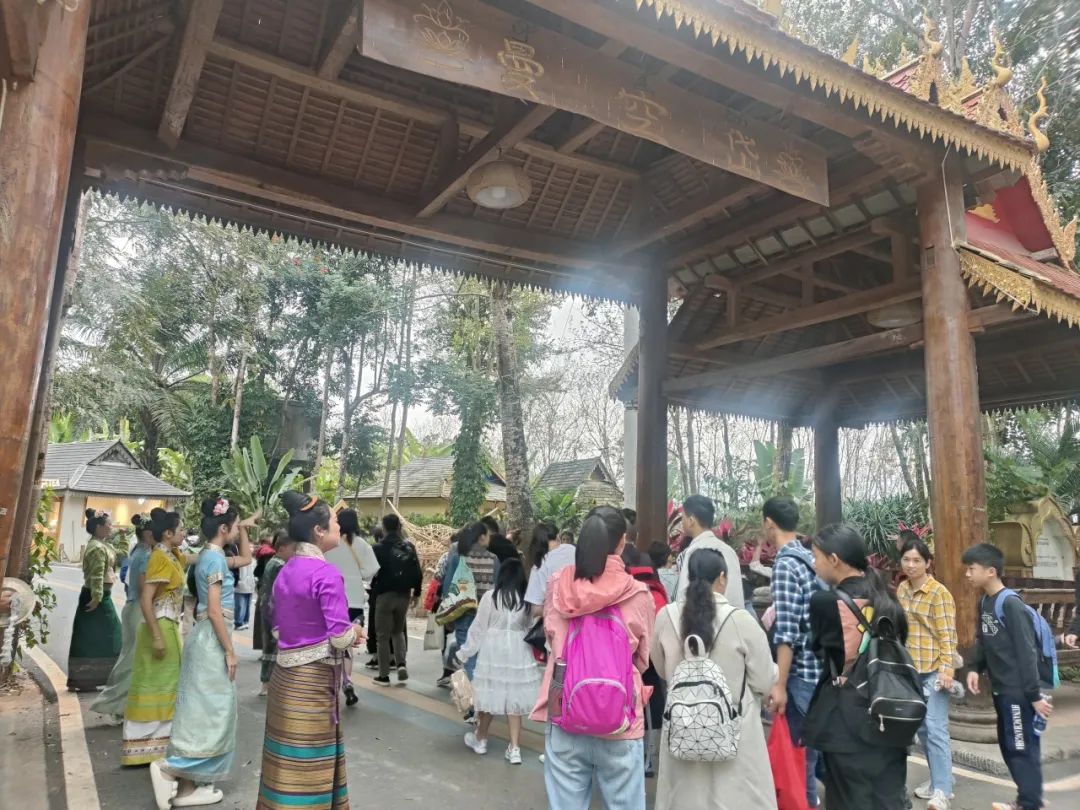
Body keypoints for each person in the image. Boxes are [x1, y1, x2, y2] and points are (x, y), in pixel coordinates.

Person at [531, 506, 655, 810]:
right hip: (621, 716)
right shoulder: (639, 593)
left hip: (565, 708)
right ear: (622, 542)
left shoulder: (558, 585)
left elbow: (552, 639)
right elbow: (642, 659)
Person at [256, 492, 363, 810]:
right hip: (312, 685)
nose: (339, 526)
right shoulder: (326, 574)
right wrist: (356, 632)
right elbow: (340, 637)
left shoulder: (285, 570)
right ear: (319, 531)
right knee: (310, 762)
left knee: (283, 759)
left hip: (284, 680)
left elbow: (278, 628)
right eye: (334, 521)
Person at [149, 497, 255, 810]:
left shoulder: (211, 556)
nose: (236, 531)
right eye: (233, 526)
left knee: (202, 712)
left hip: (205, 638)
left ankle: (187, 787)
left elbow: (246, 558)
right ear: (223, 528)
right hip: (212, 641)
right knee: (213, 712)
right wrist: (230, 651)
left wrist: (243, 527)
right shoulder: (216, 562)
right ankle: (170, 768)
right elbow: (214, 609)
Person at [652, 548, 777, 809]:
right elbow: (764, 682)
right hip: (736, 736)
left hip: (682, 732)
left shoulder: (666, 616)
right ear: (722, 578)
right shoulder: (741, 620)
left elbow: (662, 671)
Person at [805, 525, 910, 810]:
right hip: (891, 714)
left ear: (834, 559)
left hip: (846, 722)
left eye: (816, 556)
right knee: (889, 802)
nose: (814, 563)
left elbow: (820, 650)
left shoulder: (824, 602)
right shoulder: (887, 598)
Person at [962, 543, 1052, 810]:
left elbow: (1027, 652)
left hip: (1017, 691)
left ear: (990, 571)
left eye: (971, 569)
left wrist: (1033, 695)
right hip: (1001, 688)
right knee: (1009, 745)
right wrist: (974, 668)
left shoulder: (1011, 604)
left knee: (1019, 747)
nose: (967, 574)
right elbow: (983, 641)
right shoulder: (984, 602)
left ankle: (1029, 803)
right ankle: (1030, 798)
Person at [762, 496, 823, 809]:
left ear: (769, 523)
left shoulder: (786, 564)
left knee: (801, 760)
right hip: (822, 670)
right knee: (813, 754)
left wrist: (780, 684)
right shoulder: (811, 559)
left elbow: (787, 632)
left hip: (801, 675)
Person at [455, 558, 542, 763]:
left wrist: (464, 653)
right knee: (514, 700)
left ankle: (481, 740)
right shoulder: (526, 600)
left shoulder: (490, 597)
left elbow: (478, 629)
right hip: (518, 651)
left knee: (489, 695)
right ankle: (515, 749)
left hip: (493, 651)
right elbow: (530, 627)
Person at [122, 509, 186, 766]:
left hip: (167, 624)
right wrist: (157, 636)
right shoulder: (160, 557)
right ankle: (145, 746)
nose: (184, 533)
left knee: (165, 684)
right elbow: (146, 599)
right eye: (180, 529)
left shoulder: (172, 555)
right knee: (156, 684)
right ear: (168, 534)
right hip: (160, 624)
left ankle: (155, 747)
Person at [897, 536, 957, 810]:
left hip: (935, 671)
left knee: (935, 728)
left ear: (928, 563)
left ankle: (943, 791)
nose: (911, 565)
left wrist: (947, 670)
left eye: (917, 560)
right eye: (906, 559)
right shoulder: (902, 589)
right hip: (912, 670)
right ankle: (937, 781)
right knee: (922, 729)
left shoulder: (938, 593)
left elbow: (948, 636)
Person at [91, 513, 154, 721]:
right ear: (148, 533)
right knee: (131, 661)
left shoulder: (138, 550)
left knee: (129, 657)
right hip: (139, 610)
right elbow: (146, 590)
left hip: (132, 608)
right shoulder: (145, 555)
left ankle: (121, 705)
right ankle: (114, 704)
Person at [325, 508, 379, 702]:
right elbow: (371, 570)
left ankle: (331, 683)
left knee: (331, 642)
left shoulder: (329, 543)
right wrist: (356, 574)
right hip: (354, 600)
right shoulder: (362, 544)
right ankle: (347, 681)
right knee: (347, 643)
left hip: (331, 598)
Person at [68, 509, 123, 691]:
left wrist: (123, 537)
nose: (111, 528)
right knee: (106, 635)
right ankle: (87, 679)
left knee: (94, 638)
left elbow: (122, 554)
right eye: (109, 525)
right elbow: (97, 575)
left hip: (99, 597)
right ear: (99, 527)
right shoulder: (97, 548)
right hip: (95, 598)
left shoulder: (102, 545)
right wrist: (97, 597)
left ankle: (90, 679)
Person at [441, 521, 499, 681]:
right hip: (486, 616)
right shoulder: (494, 559)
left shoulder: (459, 558)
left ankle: (472, 693)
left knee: (468, 657)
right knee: (483, 656)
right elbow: (498, 589)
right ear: (482, 537)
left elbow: (448, 588)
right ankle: (479, 692)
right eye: (488, 535)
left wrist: (448, 614)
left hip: (464, 613)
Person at [370, 514, 422, 686]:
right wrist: (416, 593)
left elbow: (371, 571)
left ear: (384, 528)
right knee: (398, 631)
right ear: (399, 527)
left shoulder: (378, 548)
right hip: (404, 595)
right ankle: (401, 664)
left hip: (384, 595)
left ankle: (384, 676)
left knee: (382, 636)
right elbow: (417, 571)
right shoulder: (409, 546)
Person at [674, 494, 744, 609]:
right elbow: (737, 597)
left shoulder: (692, 552)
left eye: (683, 518)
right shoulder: (729, 551)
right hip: (730, 617)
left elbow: (682, 599)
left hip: (699, 619)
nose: (682, 522)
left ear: (691, 521)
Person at [257, 530, 297, 696]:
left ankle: (265, 683)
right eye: (293, 549)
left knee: (268, 646)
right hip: (276, 610)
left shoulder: (272, 562)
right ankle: (273, 683)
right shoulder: (280, 565)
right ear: (282, 548)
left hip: (266, 607)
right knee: (276, 647)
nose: (294, 553)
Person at [525, 526, 575, 617]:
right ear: (558, 537)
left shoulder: (539, 566)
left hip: (557, 621)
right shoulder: (572, 550)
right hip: (583, 618)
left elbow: (536, 610)